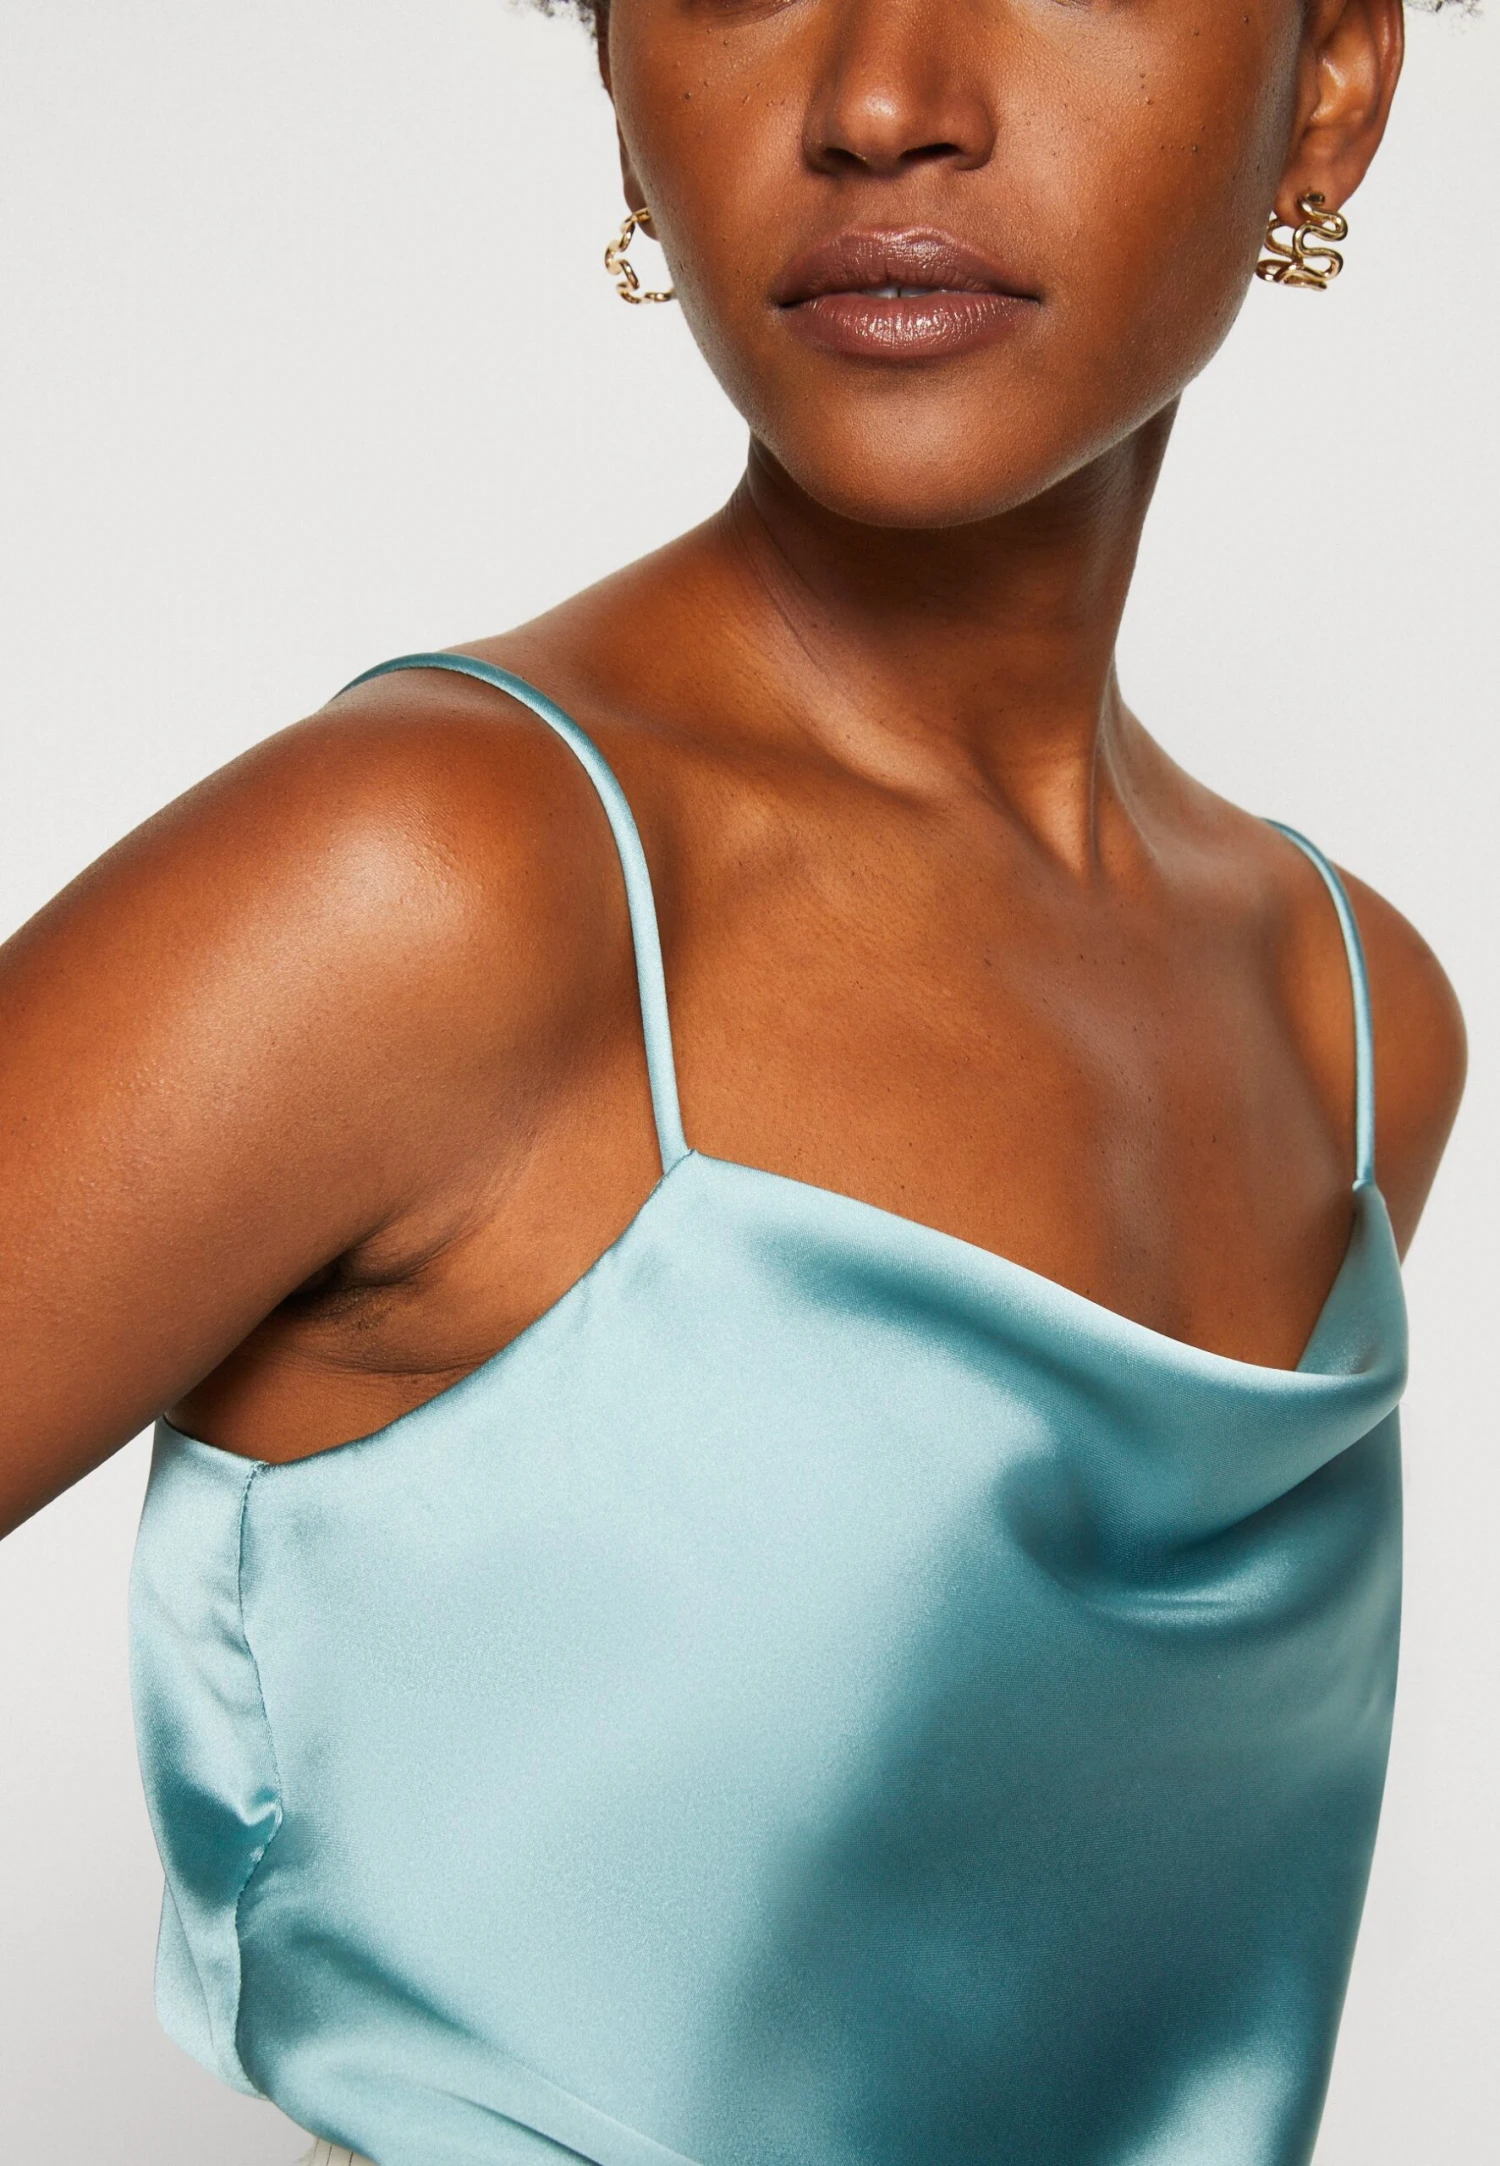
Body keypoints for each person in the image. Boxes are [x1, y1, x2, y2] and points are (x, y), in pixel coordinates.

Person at [0, 1, 1470, 2163]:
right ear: (616, 86)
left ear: (1329, 83)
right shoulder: (435, 889)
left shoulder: (1353, 1028)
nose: (882, 102)